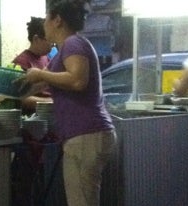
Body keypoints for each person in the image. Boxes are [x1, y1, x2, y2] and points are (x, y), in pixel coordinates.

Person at [22, 0, 116, 205]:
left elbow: (77, 80)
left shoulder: (73, 43)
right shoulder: (65, 50)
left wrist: (39, 74)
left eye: (46, 17)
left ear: (57, 20)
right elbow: (39, 83)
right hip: (87, 135)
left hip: (86, 134)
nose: (44, 23)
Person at [0, 17, 53, 114]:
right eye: (49, 40)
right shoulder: (21, 62)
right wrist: (51, 102)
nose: (52, 44)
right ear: (36, 39)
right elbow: (18, 98)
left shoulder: (47, 59)